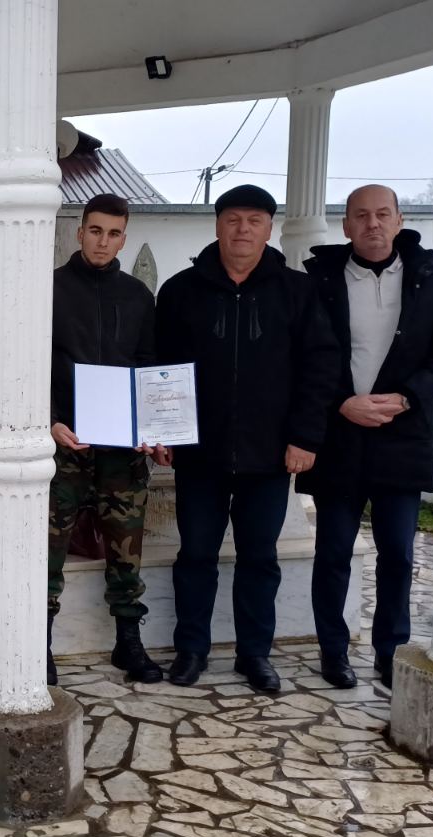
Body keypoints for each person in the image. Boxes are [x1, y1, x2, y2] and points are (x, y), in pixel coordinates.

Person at [155, 184, 339, 693]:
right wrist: (162, 432)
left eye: (254, 221)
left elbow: (320, 368)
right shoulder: (181, 290)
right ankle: (191, 650)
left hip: (271, 454)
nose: (242, 230)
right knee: (196, 556)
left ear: (269, 229)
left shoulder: (297, 291)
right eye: (233, 219)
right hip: (200, 453)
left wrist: (305, 437)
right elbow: (160, 367)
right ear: (217, 226)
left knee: (260, 559)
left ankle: (254, 653)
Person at [298, 185, 433, 690]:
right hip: (339, 434)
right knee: (334, 551)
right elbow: (306, 355)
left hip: (402, 434)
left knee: (399, 554)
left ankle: (390, 651)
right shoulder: (319, 279)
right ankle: (333, 651)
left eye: (383, 214)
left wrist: (406, 398)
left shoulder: (431, 276)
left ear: (400, 220)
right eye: (361, 216)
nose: (373, 224)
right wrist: (342, 401)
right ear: (345, 226)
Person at [46, 192, 166, 686]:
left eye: (113, 233)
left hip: (121, 448)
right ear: (79, 232)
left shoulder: (137, 296)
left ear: (124, 239)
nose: (103, 241)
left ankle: (128, 641)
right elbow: (33, 362)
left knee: (126, 545)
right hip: (65, 442)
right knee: (47, 547)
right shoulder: (50, 289)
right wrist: (50, 421)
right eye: (95, 231)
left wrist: (150, 428)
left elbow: (148, 365)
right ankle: (38, 643)